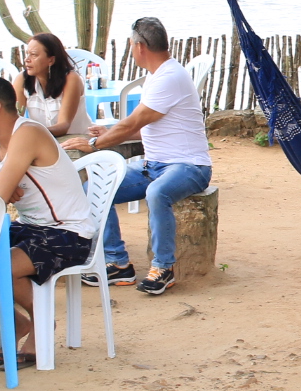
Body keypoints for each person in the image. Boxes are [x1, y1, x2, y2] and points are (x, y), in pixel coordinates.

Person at [0, 76, 98, 369]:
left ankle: (42, 323)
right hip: (29, 227)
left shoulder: (28, 134)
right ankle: (19, 323)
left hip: (68, 232)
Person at [61, 17, 211, 295]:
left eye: (131, 45)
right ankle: (118, 262)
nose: (131, 50)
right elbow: (145, 126)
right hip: (152, 165)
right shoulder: (157, 75)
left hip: (190, 166)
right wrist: (108, 132)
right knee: (95, 188)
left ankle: (163, 268)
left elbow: (133, 122)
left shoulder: (170, 77)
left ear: (139, 47)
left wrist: (95, 144)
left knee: (157, 192)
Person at [14, 31, 91, 138]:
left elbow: (63, 126)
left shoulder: (71, 79)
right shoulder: (22, 79)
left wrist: (31, 133)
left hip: (77, 139)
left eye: (34, 55)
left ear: (51, 60)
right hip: (44, 140)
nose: (27, 59)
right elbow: (15, 119)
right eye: (27, 54)